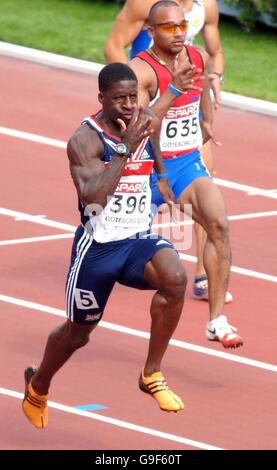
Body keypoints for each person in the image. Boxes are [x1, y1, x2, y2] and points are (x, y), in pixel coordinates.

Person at [22, 63, 190, 429]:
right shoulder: (85, 140)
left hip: (137, 239)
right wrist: (124, 150)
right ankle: (39, 386)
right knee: (77, 334)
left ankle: (151, 374)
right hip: (97, 249)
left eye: (134, 97)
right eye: (120, 99)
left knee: (175, 279)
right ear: (102, 99)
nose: (129, 106)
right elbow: (92, 195)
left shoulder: (142, 120)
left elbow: (153, 129)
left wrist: (161, 177)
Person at [129, 1, 243, 348]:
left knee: (219, 223)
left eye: (181, 26)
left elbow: (203, 90)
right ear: (151, 31)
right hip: (145, 168)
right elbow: (140, 127)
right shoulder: (141, 71)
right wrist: (173, 89)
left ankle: (216, 319)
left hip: (185, 164)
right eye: (169, 28)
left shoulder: (196, 57)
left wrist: (206, 122)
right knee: (117, 254)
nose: (178, 33)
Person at [104, 0, 232, 304]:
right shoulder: (143, 5)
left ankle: (203, 273)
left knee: (207, 188)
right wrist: (129, 94)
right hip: (151, 101)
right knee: (126, 216)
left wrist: (214, 79)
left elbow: (214, 53)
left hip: (185, 111)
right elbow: (113, 47)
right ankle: (118, 256)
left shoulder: (206, 7)